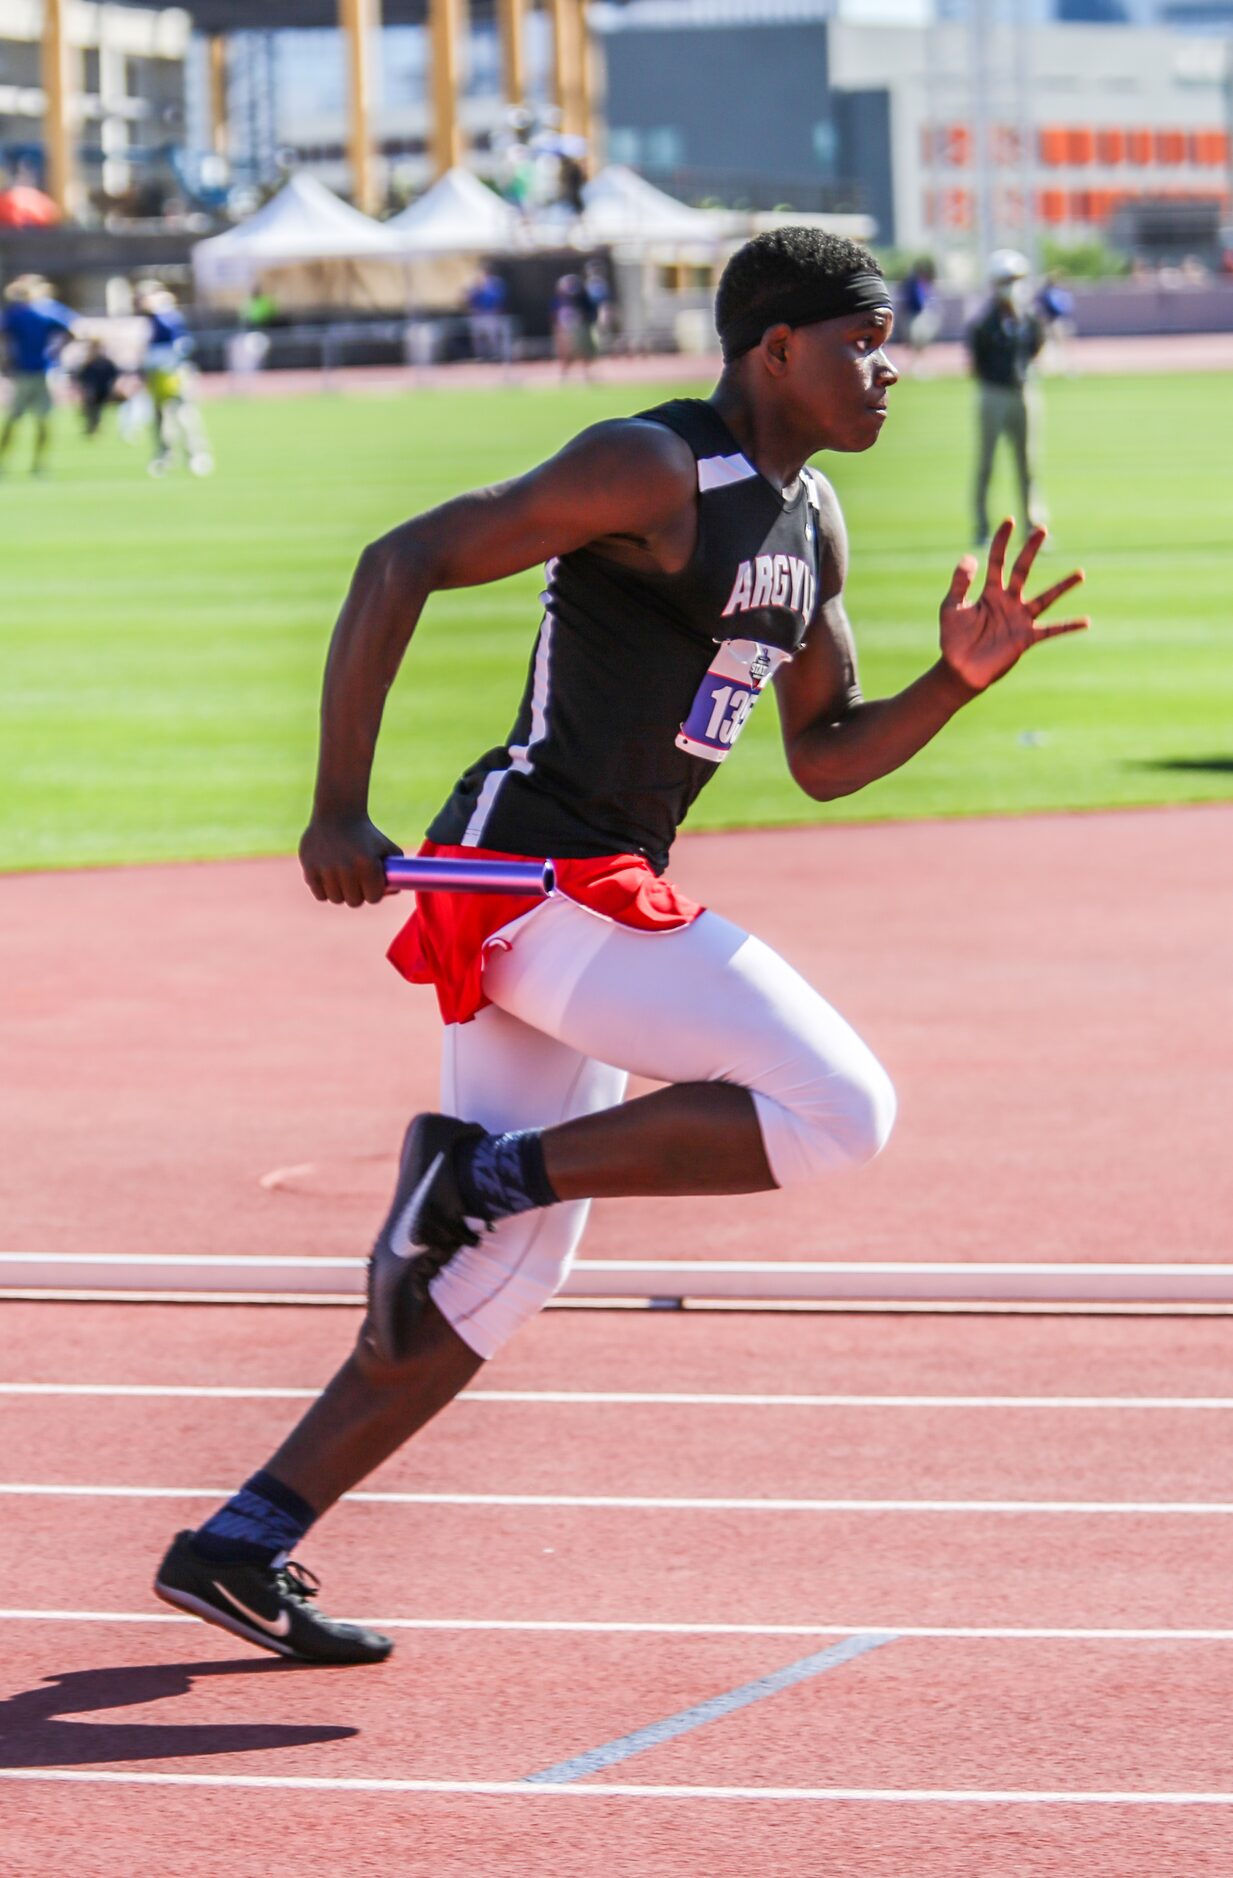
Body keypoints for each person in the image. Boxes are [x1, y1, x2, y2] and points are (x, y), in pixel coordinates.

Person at [153, 227, 1087, 1663]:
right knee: (842, 1106)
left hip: (585, 883)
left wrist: (956, 682)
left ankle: (245, 1533)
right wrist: (338, 803)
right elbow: (398, 559)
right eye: (862, 340)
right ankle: (481, 1171)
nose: (888, 367)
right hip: (529, 871)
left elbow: (825, 755)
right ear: (775, 346)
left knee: (502, 1269)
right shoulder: (655, 467)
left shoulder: (809, 518)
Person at [967, 249, 1046, 548]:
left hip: (1024, 390)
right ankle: (982, 527)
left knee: (1028, 462)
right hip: (994, 393)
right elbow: (977, 361)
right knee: (987, 462)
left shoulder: (1029, 317)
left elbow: (1036, 346)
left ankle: (1033, 526)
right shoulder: (983, 322)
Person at [0, 275, 75, 475]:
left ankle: (36, 464)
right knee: (28, 419)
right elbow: (74, 329)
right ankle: (35, 464)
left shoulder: (40, 311)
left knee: (29, 419)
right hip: (33, 370)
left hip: (36, 371)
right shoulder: (29, 312)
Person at [136, 282, 213, 477]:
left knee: (183, 414)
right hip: (156, 373)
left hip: (173, 372)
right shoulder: (151, 319)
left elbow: (182, 344)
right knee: (159, 418)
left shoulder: (168, 317)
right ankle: (164, 457)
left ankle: (196, 455)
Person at [896, 258, 939, 376]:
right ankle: (915, 365)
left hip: (918, 314)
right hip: (912, 314)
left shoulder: (920, 282)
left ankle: (917, 365)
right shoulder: (911, 282)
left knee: (919, 341)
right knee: (914, 340)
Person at [74, 338, 123, 436]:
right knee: (90, 410)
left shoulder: (106, 362)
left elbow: (114, 375)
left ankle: (95, 428)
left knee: (97, 410)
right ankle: (92, 427)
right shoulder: (88, 363)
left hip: (102, 390)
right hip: (90, 391)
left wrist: (112, 387)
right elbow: (80, 376)